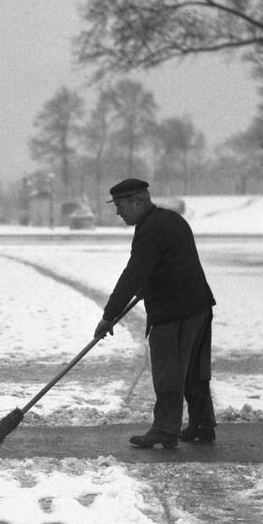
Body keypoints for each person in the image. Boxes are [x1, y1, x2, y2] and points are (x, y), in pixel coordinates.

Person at [95, 178, 216, 449]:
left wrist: (109, 315)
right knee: (194, 373)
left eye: (120, 206)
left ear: (138, 201)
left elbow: (134, 273)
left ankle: (165, 429)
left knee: (168, 372)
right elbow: (166, 264)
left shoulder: (151, 229)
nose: (118, 212)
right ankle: (202, 424)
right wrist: (148, 283)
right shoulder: (169, 219)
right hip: (198, 306)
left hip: (175, 311)